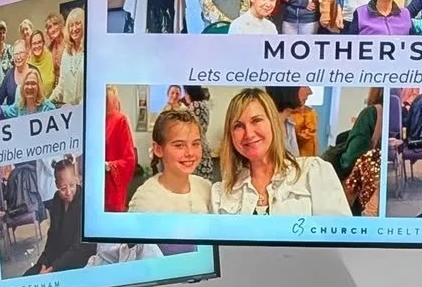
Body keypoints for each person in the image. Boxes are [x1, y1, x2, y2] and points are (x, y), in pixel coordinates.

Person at [212, 86, 351, 216]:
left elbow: (340, 239)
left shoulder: (313, 173)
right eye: (238, 126)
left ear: (273, 123)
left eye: (256, 120)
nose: (249, 133)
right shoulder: (221, 193)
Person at [129, 105, 215, 212]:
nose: (190, 153)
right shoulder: (145, 201)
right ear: (158, 149)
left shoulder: (206, 188)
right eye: (179, 145)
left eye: (195, 144)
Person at [28, 158, 96, 273]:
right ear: (56, 184)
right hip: (57, 256)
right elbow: (53, 234)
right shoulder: (57, 199)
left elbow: (79, 247)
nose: (68, 192)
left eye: (72, 185)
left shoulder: (86, 201)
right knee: (29, 277)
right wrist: (44, 262)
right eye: (63, 188)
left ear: (77, 179)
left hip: (78, 261)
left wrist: (53, 268)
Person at [103, 86, 138, 212]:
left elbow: (129, 160)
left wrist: (108, 166)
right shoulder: (92, 118)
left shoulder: (120, 120)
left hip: (111, 186)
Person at [52, 7, 86, 107]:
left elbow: (92, 89)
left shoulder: (90, 52)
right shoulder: (66, 54)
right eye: (71, 25)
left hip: (85, 112)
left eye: (77, 24)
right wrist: (48, 103)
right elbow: (61, 85)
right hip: (68, 113)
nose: (74, 29)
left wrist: (78, 109)